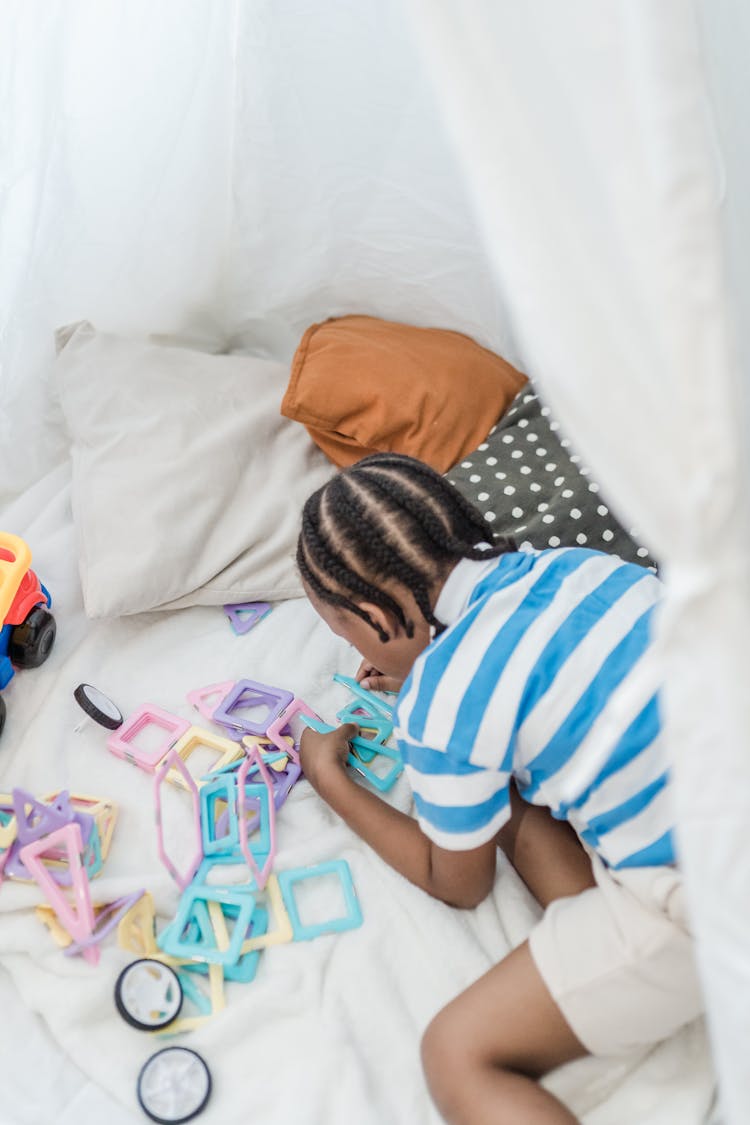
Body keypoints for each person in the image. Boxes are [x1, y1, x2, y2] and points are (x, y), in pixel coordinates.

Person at [296, 451, 703, 1125]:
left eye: (339, 627)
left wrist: (330, 779)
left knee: (455, 1053)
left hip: (704, 894)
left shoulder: (444, 705)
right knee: (514, 791)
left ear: (372, 616)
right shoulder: (582, 566)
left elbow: (459, 880)